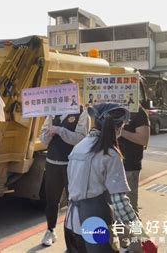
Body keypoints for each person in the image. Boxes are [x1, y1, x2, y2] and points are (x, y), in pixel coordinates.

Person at [64, 103, 148, 253]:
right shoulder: (110, 153)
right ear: (118, 127)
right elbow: (120, 203)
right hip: (94, 223)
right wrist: (142, 234)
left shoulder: (79, 147)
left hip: (71, 222)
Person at [39, 80, 90, 247]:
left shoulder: (82, 112)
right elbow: (43, 138)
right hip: (52, 162)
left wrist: (60, 130)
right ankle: (50, 230)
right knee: (51, 200)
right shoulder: (52, 112)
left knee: (73, 201)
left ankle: (73, 235)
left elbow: (81, 138)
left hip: (72, 164)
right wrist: (48, 134)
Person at [118, 105, 150, 214]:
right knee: (111, 209)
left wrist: (119, 131)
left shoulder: (137, 111)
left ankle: (135, 230)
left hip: (129, 166)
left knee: (130, 208)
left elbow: (143, 139)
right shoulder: (107, 109)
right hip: (106, 165)